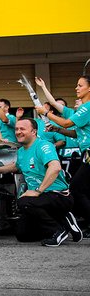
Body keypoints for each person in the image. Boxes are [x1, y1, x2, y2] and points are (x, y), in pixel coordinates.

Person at [0, 118, 81, 246]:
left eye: (22, 129)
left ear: (34, 131)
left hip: (58, 195)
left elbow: (55, 167)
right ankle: (61, 219)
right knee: (23, 235)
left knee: (24, 201)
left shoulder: (44, 145)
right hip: (40, 199)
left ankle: (57, 231)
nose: (18, 132)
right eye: (17, 129)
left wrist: (38, 191)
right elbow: (15, 167)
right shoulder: (21, 151)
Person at [35, 75, 90, 236]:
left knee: (77, 189)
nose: (76, 88)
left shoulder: (87, 108)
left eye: (80, 85)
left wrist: (45, 112)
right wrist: (43, 87)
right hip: (86, 153)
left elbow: (66, 123)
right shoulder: (81, 110)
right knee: (83, 190)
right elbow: (73, 131)